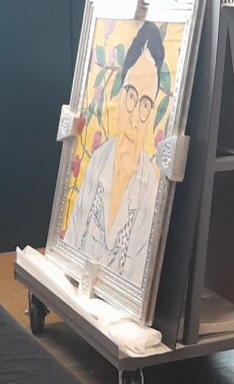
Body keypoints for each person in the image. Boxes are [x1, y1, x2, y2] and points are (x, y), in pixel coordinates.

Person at [64, 20, 164, 285]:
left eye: (146, 104)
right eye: (131, 95)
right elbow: (72, 241)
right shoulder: (97, 161)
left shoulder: (151, 192)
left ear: (153, 113)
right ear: (119, 96)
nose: (135, 118)